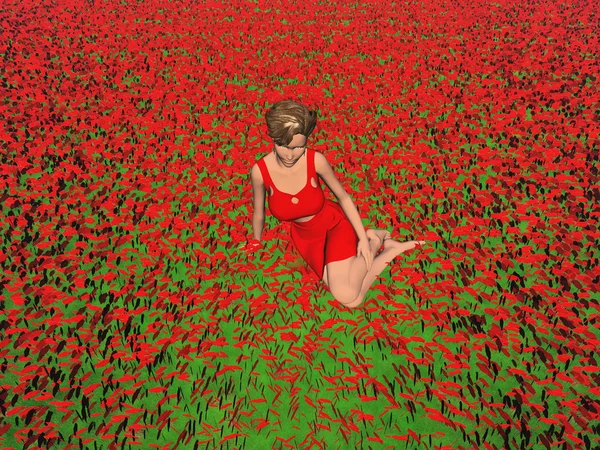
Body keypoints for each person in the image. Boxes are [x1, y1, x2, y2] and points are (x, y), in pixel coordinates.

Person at [245, 99, 426, 309]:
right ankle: (391, 249)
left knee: (344, 292)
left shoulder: (316, 161)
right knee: (354, 299)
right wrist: (256, 241)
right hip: (305, 238)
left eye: (298, 147)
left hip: (333, 224)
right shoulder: (260, 172)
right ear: (273, 139)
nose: (290, 155)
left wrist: (361, 239)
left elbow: (344, 197)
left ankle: (374, 240)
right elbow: (259, 213)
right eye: (283, 146)